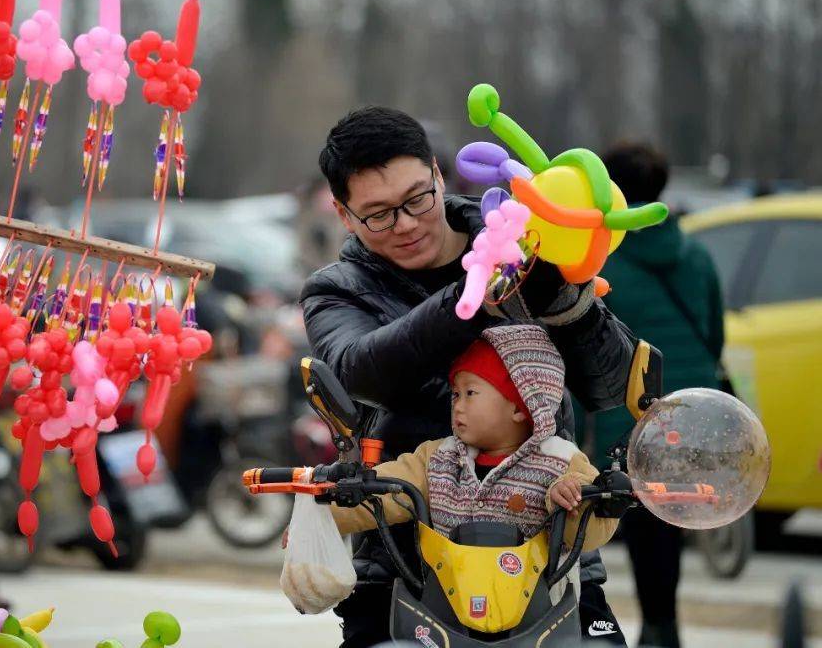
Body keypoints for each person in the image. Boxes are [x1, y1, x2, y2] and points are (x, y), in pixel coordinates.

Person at [301, 106, 637, 647]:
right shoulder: (336, 289)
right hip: (402, 563)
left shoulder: (529, 245)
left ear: (438, 174)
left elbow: (609, 389)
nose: (406, 223)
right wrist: (475, 293)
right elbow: (361, 370)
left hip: (550, 555)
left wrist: (569, 298)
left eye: (416, 198)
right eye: (379, 215)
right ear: (344, 215)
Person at [328, 324, 618, 574]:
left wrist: (573, 502)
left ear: (520, 405)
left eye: (470, 393)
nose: (457, 404)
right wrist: (323, 515)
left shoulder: (561, 460)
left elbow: (589, 531)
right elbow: (385, 490)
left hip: (535, 606)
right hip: (446, 603)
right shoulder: (437, 458)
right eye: (455, 393)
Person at [593, 142, 726, 648]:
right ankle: (663, 624)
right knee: (666, 523)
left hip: (632, 415)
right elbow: (714, 333)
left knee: (637, 525)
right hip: (695, 410)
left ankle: (653, 628)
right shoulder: (695, 253)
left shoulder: (607, 260)